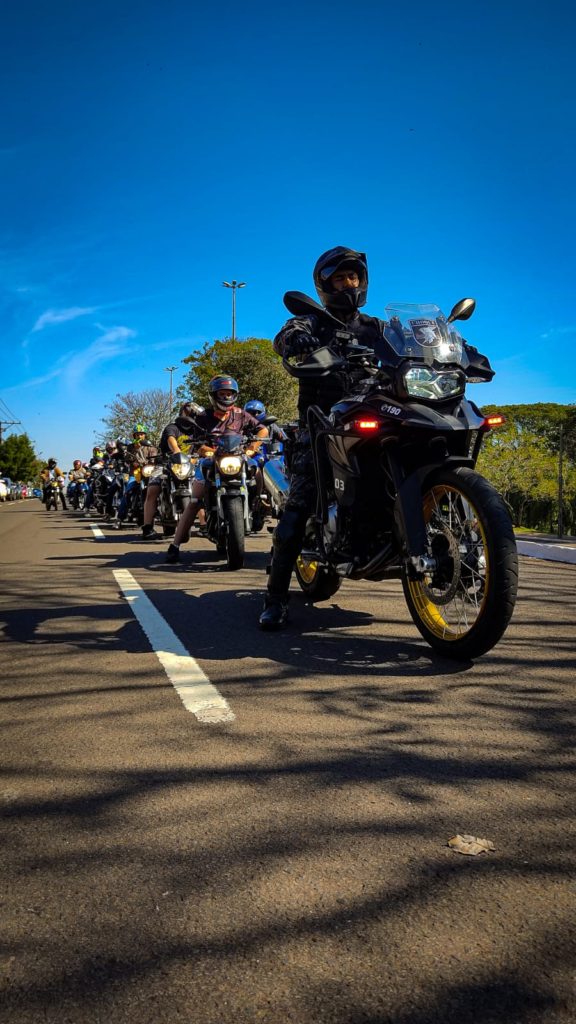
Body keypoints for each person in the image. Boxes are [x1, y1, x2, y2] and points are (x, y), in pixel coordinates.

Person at [259, 246, 390, 630]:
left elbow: (409, 347)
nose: (348, 283)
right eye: (339, 278)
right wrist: (292, 340)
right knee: (298, 508)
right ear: (324, 284)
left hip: (376, 417)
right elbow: (285, 337)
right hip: (322, 426)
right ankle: (275, 598)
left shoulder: (378, 328)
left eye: (353, 277)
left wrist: (457, 350)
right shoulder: (312, 321)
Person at [164, 376, 268, 563]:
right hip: (211, 460)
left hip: (237, 457)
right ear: (214, 396)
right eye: (222, 393)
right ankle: (176, 544)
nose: (226, 397)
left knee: (257, 471)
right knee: (195, 500)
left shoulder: (241, 414)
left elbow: (262, 430)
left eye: (229, 394)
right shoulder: (203, 418)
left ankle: (256, 505)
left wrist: (254, 447)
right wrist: (208, 451)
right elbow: (197, 444)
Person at [139, 403, 203, 541]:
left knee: (201, 487)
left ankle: (204, 525)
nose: (193, 418)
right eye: (192, 415)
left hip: (189, 466)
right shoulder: (172, 428)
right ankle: (147, 527)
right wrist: (176, 451)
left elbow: (201, 447)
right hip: (165, 464)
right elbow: (171, 441)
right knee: (153, 489)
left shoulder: (197, 431)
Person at [113, 426, 157, 527]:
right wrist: (136, 450)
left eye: (141, 434)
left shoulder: (151, 446)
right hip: (135, 474)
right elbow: (127, 458)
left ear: (145, 435)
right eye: (137, 434)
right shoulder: (130, 447)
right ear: (134, 436)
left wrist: (150, 464)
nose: (139, 436)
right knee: (127, 492)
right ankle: (119, 518)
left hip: (149, 473)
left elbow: (155, 459)